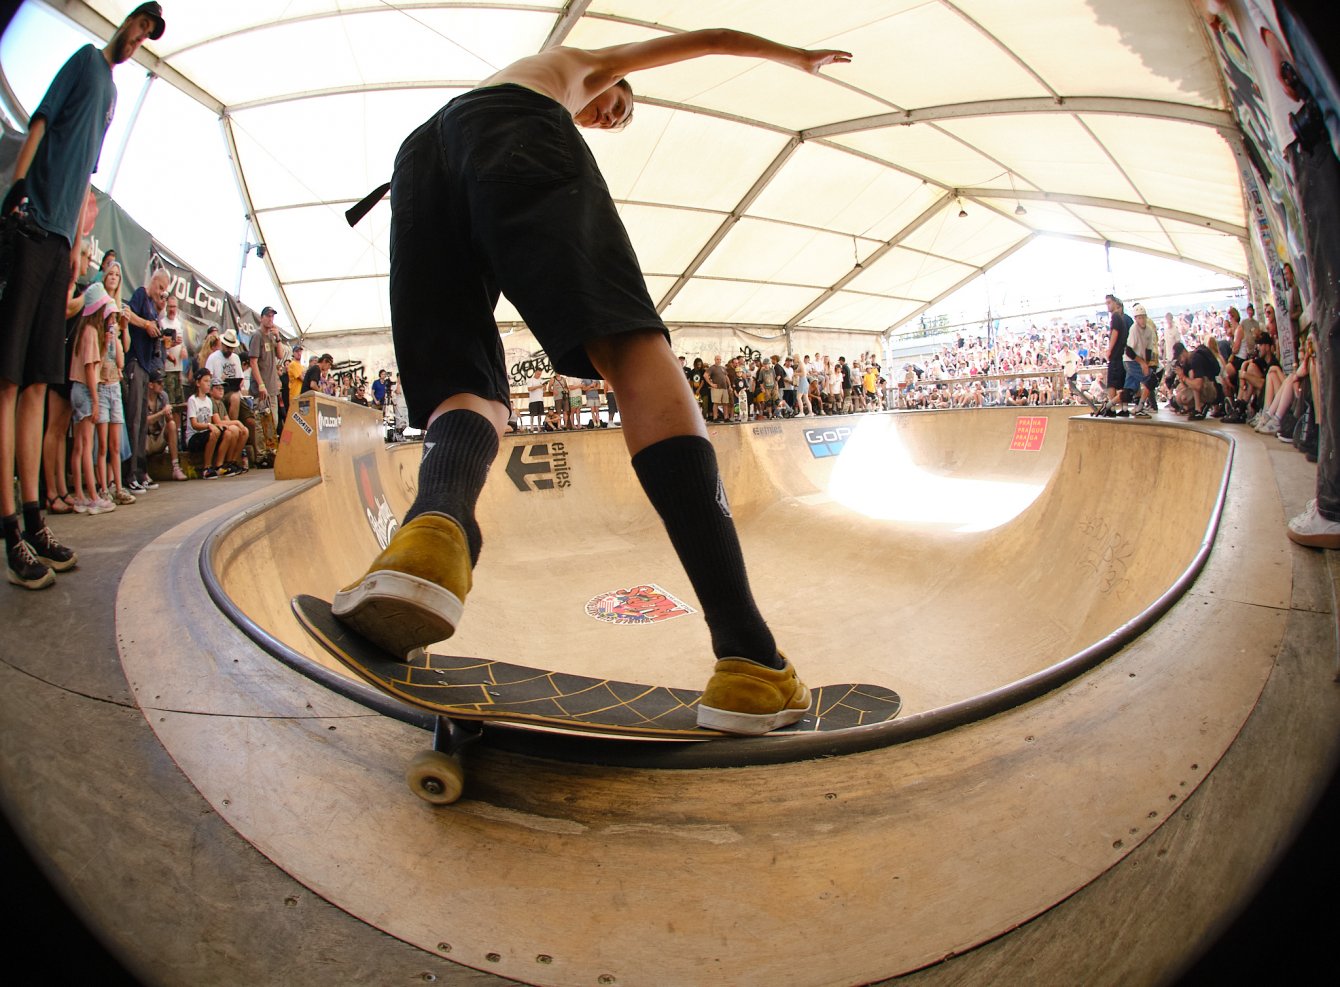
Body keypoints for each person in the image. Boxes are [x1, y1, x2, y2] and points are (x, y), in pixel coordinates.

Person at [335, 28, 850, 734]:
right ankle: (749, 657)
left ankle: (434, 533)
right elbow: (704, 40)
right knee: (628, 340)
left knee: (464, 377)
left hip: (419, 162)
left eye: (615, 121)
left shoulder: (496, 99)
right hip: (508, 132)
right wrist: (794, 55)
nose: (610, 117)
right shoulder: (575, 67)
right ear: (608, 80)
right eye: (617, 106)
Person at [1, 3, 165, 588]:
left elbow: (88, 174)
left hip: (60, 243)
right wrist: (19, 186)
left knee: (38, 385)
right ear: (126, 22)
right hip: (31, 224)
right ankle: (10, 532)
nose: (139, 39)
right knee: (9, 381)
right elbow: (41, 121)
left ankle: (35, 520)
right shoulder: (84, 62)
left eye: (148, 36)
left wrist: (76, 242)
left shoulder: (113, 96)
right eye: (140, 25)